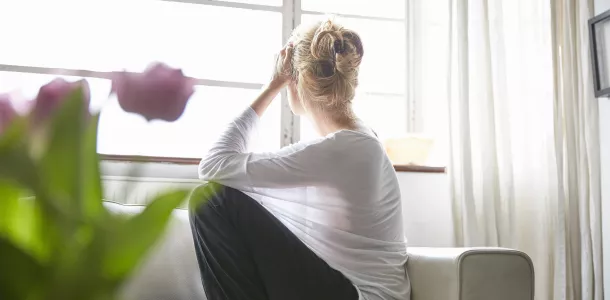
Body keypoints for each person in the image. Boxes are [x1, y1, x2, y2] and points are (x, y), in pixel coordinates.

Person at [189, 19, 410, 300]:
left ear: (297, 80)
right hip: (350, 290)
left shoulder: (344, 149)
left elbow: (213, 165)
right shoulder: (360, 140)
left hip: (357, 295)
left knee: (212, 199)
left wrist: (271, 86)